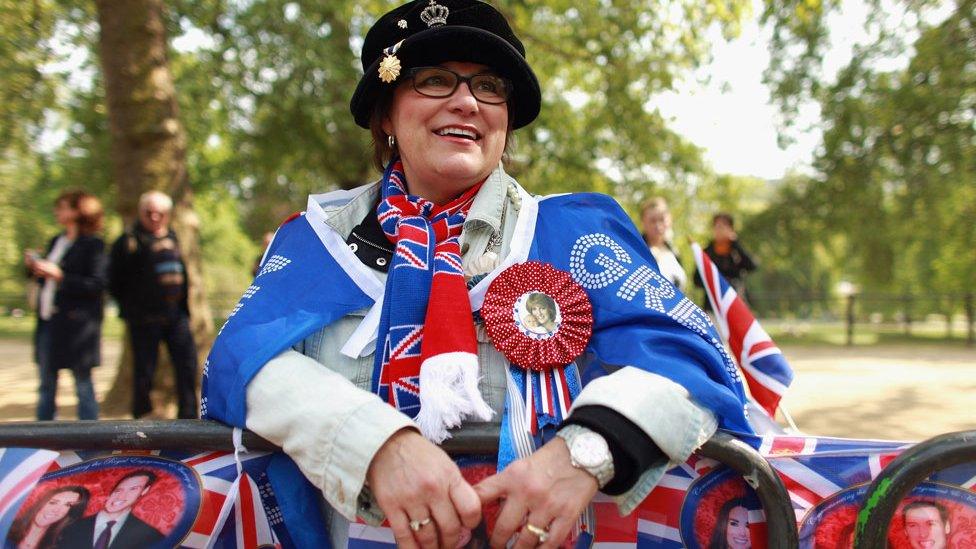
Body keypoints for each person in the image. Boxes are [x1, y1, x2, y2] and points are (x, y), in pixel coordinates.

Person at [203, 1, 753, 547]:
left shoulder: (573, 232)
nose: (466, 101)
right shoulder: (317, 238)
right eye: (435, 79)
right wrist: (373, 443)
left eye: (489, 86)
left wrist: (585, 451)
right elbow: (242, 364)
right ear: (386, 113)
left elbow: (687, 360)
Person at [108, 191, 198, 419]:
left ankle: (188, 416)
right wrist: (132, 308)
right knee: (144, 371)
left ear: (168, 215)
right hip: (144, 318)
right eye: (150, 213)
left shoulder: (173, 236)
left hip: (176, 315)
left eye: (161, 213)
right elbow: (113, 281)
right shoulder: (128, 241)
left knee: (187, 366)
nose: (155, 217)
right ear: (141, 212)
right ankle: (142, 417)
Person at [24, 190, 107, 421]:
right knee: (46, 383)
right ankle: (43, 437)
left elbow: (97, 284)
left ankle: (92, 439)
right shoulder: (57, 241)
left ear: (78, 211)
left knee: (83, 384)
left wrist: (61, 276)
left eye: (62, 207)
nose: (57, 212)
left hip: (77, 327)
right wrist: (35, 267)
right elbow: (45, 280)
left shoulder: (93, 245)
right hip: (49, 321)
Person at [56, 470, 164, 549]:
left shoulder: (152, 536)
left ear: (144, 491)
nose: (121, 496)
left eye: (133, 489)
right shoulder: (69, 527)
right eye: (118, 490)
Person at [694, 213, 757, 306]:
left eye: (723, 227)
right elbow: (697, 280)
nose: (719, 230)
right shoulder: (707, 252)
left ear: (731, 229)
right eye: (716, 226)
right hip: (713, 304)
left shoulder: (736, 250)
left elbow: (752, 266)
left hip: (735, 301)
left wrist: (735, 244)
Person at [5, 486, 90, 549]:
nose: (56, 510)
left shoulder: (63, 544)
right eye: (53, 502)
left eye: (68, 505)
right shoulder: (5, 527)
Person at [640, 197, 686, 291]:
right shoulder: (637, 251)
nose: (658, 226)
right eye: (652, 221)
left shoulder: (674, 252)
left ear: (669, 220)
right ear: (643, 222)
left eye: (662, 219)